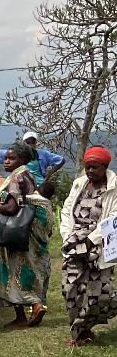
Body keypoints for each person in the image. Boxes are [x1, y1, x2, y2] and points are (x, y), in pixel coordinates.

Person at [0, 139, 53, 328]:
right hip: (25, 231)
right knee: (25, 268)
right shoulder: (28, 175)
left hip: (13, 230)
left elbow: (12, 208)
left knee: (13, 270)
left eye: (11, 158)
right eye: (5, 158)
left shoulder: (17, 177)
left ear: (21, 159)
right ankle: (30, 308)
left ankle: (31, 307)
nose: (6, 161)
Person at [60, 146, 117, 346]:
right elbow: (67, 210)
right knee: (70, 287)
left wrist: (92, 239)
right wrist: (68, 236)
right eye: (88, 167)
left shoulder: (113, 187)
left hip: (98, 246)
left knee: (97, 292)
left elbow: (113, 217)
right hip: (74, 245)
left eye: (95, 167)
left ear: (105, 166)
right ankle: (79, 329)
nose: (91, 171)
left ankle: (84, 332)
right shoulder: (79, 184)